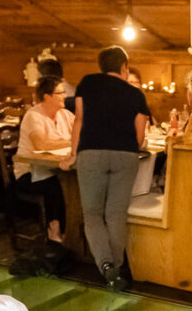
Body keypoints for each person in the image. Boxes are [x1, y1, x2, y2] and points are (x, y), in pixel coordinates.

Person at [63, 46, 149, 288]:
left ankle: (106, 266)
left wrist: (73, 154)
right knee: (115, 214)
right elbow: (140, 137)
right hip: (126, 155)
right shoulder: (136, 95)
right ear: (124, 67)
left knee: (92, 213)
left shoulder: (88, 83)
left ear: (101, 66)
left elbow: (79, 120)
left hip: (91, 153)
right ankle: (117, 269)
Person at [14, 76, 75, 243]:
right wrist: (72, 141)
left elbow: (82, 133)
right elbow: (41, 143)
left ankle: (74, 234)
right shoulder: (33, 116)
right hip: (30, 172)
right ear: (47, 96)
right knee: (57, 185)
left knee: (75, 183)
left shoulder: (65, 115)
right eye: (60, 93)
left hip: (57, 169)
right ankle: (55, 231)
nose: (65, 96)